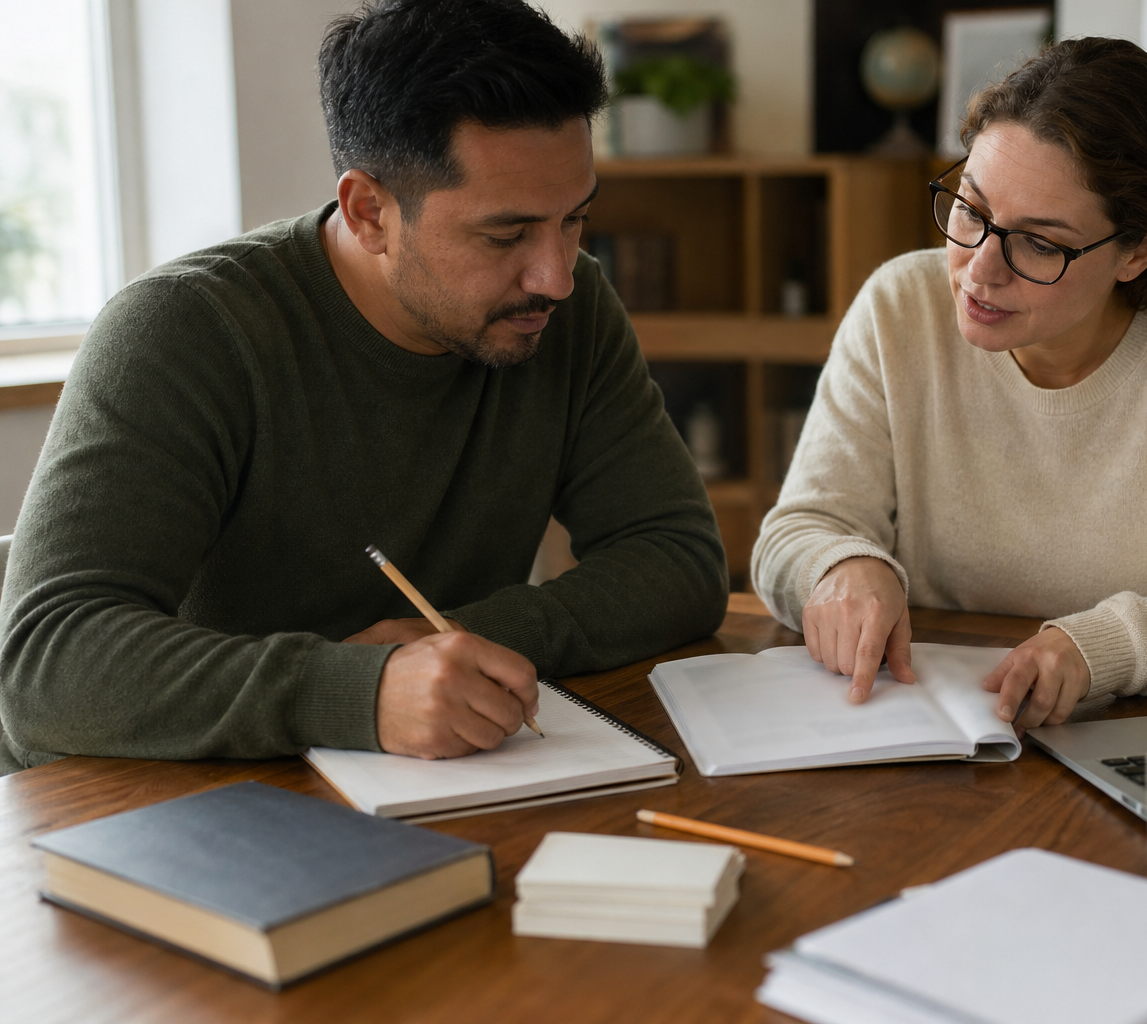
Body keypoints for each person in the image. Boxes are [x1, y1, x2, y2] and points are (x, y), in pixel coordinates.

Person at [0, 0, 728, 776]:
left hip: (429, 782)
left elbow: (678, 560)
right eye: (506, 234)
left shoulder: (564, 314)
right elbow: (47, 665)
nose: (554, 276)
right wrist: (358, 693)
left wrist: (462, 640)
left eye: (575, 219)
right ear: (369, 211)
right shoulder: (184, 332)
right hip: (159, 803)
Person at [752, 38, 1147, 733]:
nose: (979, 270)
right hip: (931, 723)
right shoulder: (899, 308)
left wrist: (1100, 648)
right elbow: (797, 531)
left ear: (1139, 250)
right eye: (970, 209)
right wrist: (843, 565)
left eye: (1040, 242)